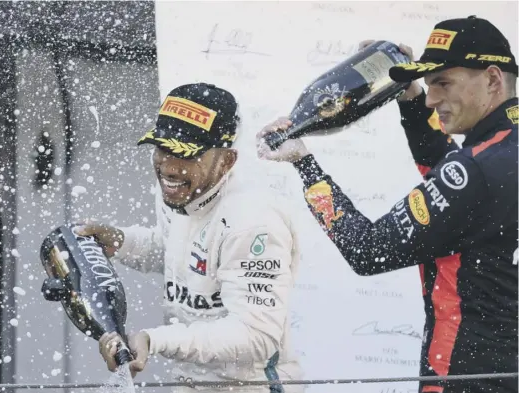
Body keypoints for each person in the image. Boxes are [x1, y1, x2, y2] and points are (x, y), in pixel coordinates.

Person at [256, 15, 518, 393]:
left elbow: (369, 250)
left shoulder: (475, 169)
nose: (432, 98)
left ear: (492, 79)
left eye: (443, 83)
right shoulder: (499, 156)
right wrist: (408, 96)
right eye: (428, 86)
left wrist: (305, 165)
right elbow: (452, 174)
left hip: (461, 378)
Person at [78, 82, 304, 392]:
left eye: (186, 154)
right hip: (192, 383)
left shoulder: (252, 220)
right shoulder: (182, 189)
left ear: (227, 160)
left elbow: (256, 336)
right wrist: (121, 241)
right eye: (162, 148)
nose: (169, 167)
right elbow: (184, 254)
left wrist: (154, 339)